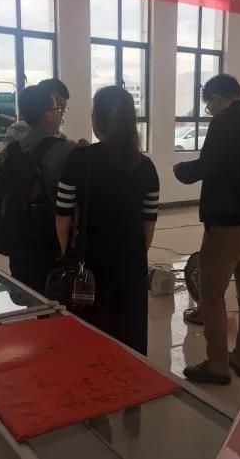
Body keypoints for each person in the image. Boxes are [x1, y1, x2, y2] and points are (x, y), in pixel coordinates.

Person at [173, 74, 240, 385]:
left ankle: (217, 365)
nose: (210, 110)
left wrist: (180, 170)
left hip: (229, 226)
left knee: (212, 294)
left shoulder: (226, 122)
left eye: (209, 105)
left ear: (217, 98)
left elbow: (208, 166)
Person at [54, 86, 159, 356]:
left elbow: (63, 215)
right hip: (131, 263)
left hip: (89, 262)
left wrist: (66, 253)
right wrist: (134, 253)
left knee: (91, 335)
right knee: (129, 332)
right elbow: (148, 225)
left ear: (97, 119)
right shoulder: (146, 167)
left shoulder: (79, 159)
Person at [0, 85, 75, 292]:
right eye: (58, 109)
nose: (61, 114)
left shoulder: (13, 149)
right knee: (52, 293)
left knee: (27, 291)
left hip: (19, 235)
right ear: (47, 115)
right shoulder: (65, 151)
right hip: (49, 239)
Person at [5, 78, 74, 145]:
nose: (61, 113)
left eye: (63, 108)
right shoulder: (17, 130)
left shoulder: (57, 135)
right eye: (57, 106)